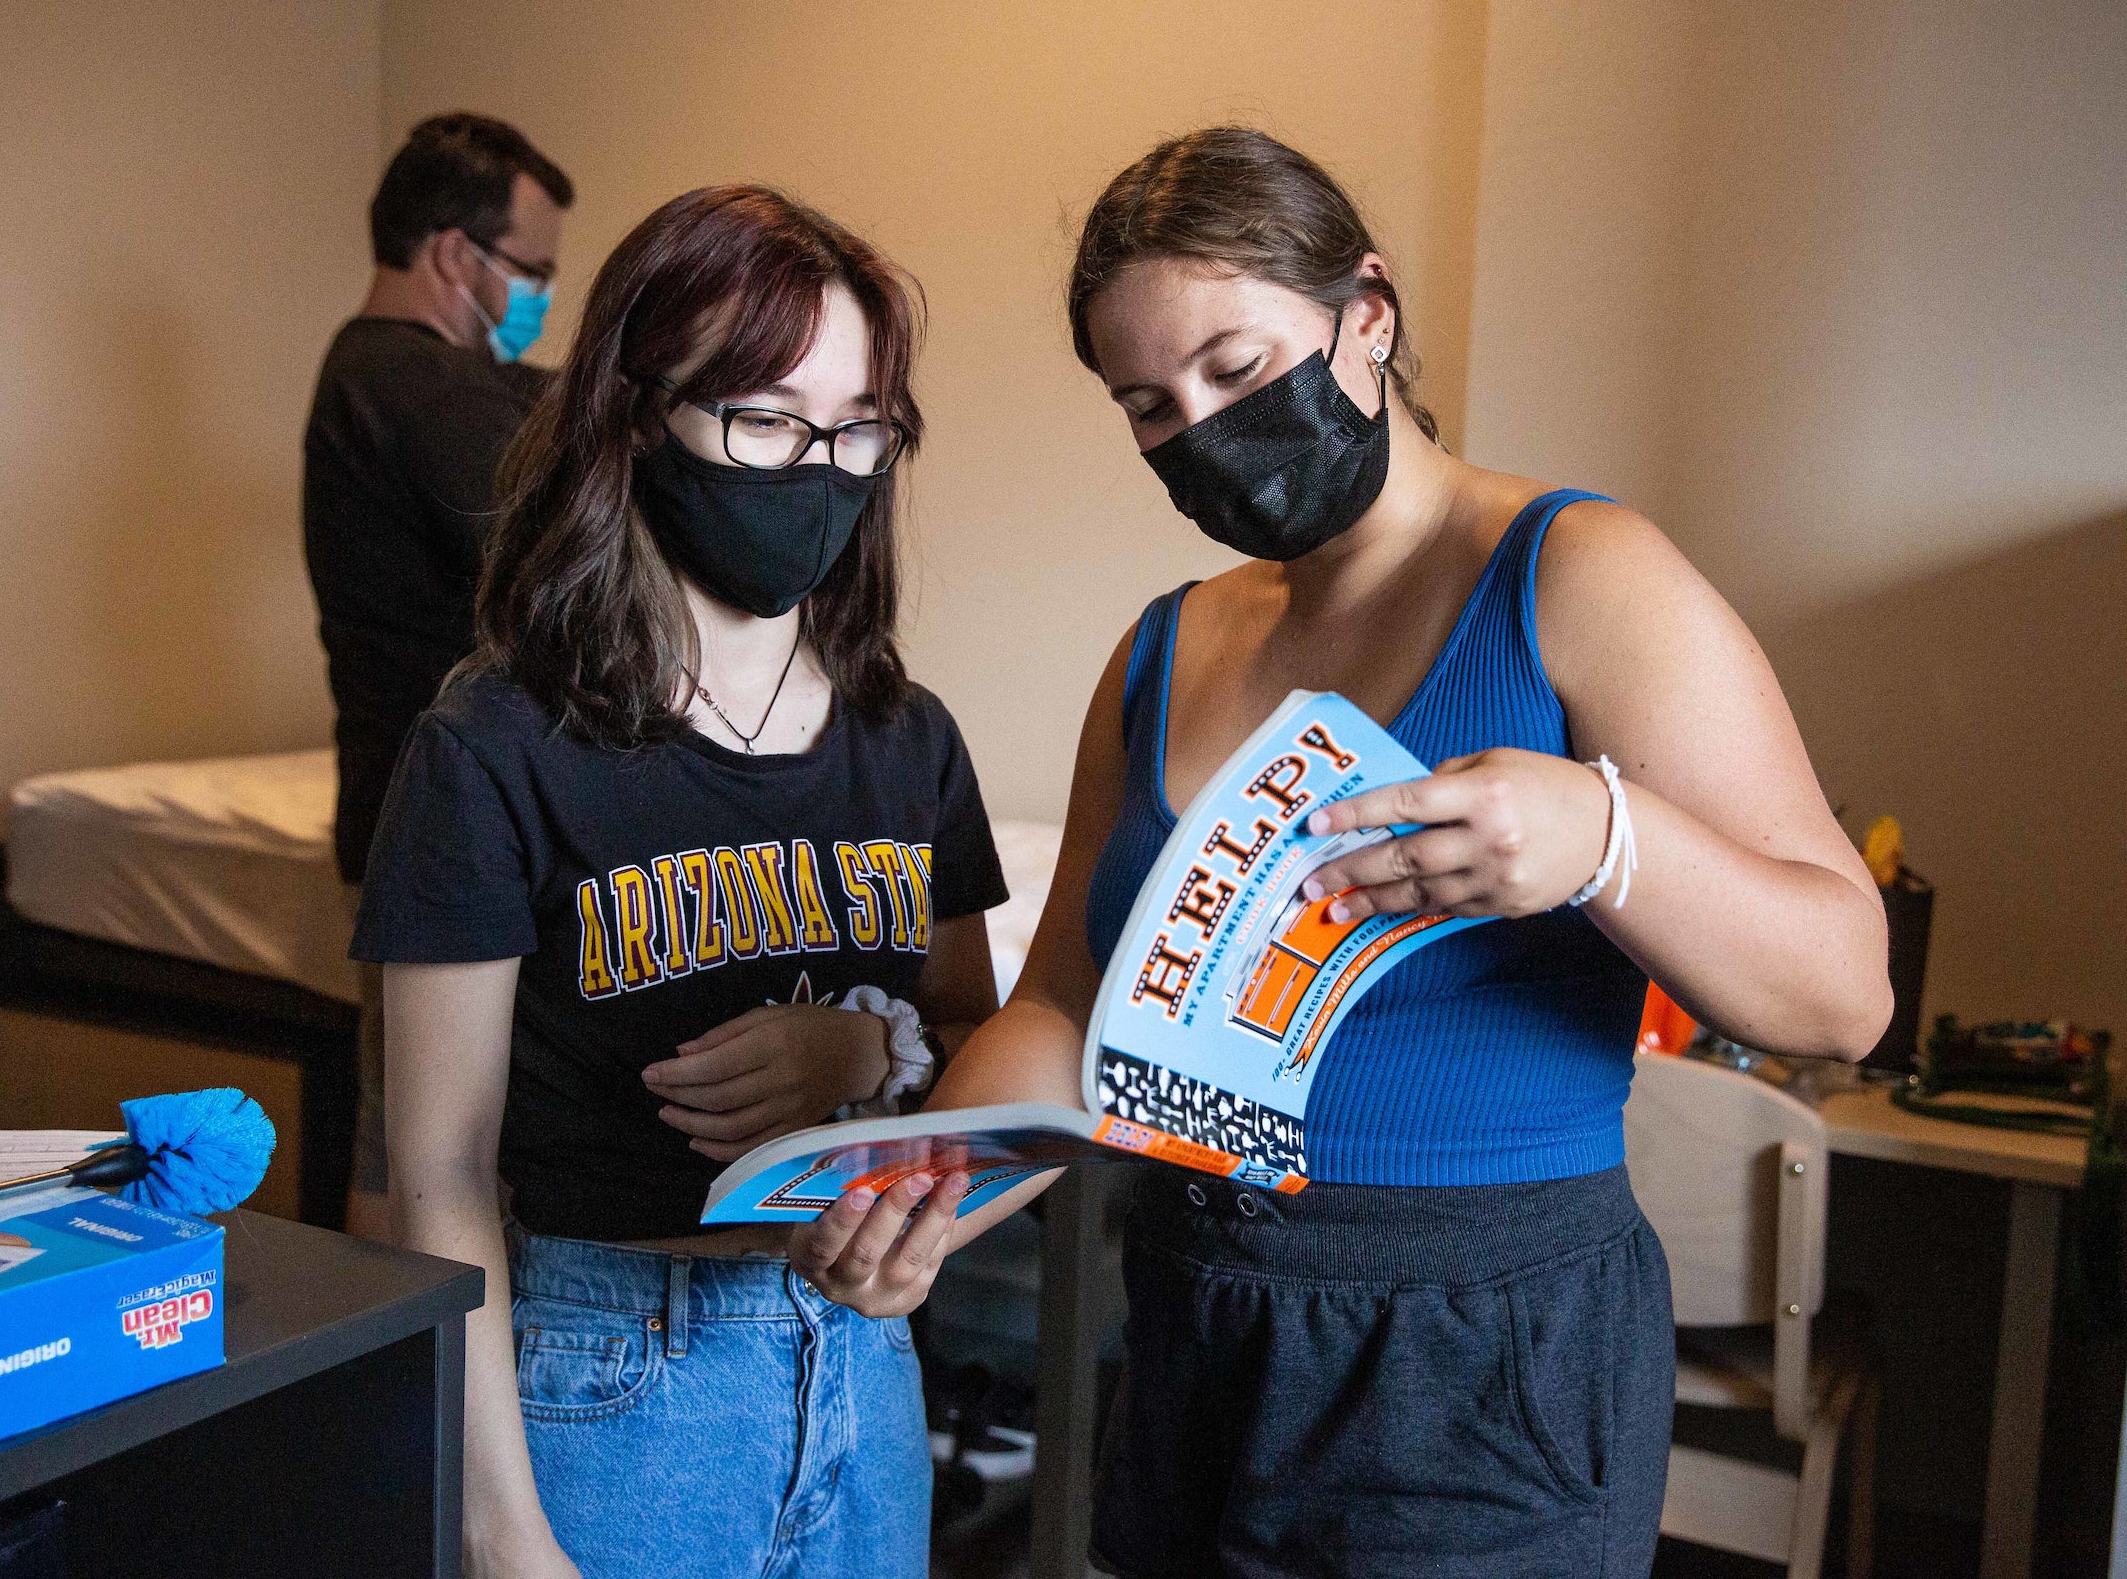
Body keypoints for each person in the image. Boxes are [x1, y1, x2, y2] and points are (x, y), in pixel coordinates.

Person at [791, 128, 1893, 1578]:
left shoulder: (1578, 576)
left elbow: (1843, 997)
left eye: (1237, 371)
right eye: (1147, 404)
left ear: (1366, 315)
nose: (1198, 431)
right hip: (1197, 1317)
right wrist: (937, 1187)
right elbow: (1066, 1005)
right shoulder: (1166, 645)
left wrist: (1604, 836)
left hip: (1477, 1354)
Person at [351, 185, 1004, 1579]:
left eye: (860, 427)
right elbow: (441, 1172)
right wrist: (499, 1532)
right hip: (611, 1374)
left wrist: (865, 1045)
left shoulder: (911, 739)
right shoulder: (494, 748)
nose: (820, 467)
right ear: (640, 414)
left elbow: (974, 1054)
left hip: (868, 1369)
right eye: (767, 419)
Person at [304, 112, 574, 1239]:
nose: (541, 299)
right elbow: (557, 552)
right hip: (432, 823)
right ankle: (400, 1406)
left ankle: (403, 1394)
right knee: (424, 1160)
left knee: (405, 1144)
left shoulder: (397, 376)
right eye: (535, 272)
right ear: (458, 254)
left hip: (403, 807)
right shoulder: (419, 387)